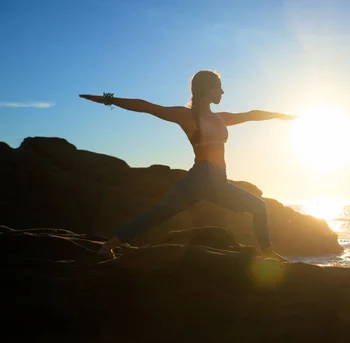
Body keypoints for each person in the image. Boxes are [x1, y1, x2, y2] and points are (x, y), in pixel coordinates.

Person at [80, 70, 294, 262]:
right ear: (207, 89)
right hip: (201, 177)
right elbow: (146, 106)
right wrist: (107, 99)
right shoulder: (187, 116)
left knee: (257, 207)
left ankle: (267, 253)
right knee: (160, 213)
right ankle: (108, 247)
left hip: (218, 180)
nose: (222, 92)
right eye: (219, 87)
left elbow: (250, 115)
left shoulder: (221, 118)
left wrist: (278, 115)